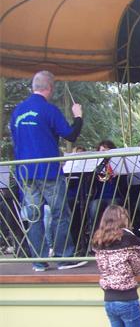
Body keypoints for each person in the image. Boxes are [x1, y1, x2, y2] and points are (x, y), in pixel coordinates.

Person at [10, 70, 87, 271]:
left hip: (25, 172)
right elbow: (70, 135)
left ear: (34, 87)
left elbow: (16, 141)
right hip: (48, 171)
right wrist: (78, 116)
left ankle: (38, 261)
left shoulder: (17, 111)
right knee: (60, 213)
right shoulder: (48, 110)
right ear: (50, 88)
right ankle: (63, 258)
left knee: (34, 216)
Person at [88, 140, 122, 233]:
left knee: (113, 205)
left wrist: (119, 176)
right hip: (99, 197)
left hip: (115, 196)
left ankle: (115, 233)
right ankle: (95, 234)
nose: (105, 153)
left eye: (108, 150)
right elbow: (89, 183)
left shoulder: (118, 164)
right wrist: (94, 174)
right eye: (102, 151)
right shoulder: (95, 166)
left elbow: (125, 185)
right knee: (94, 206)